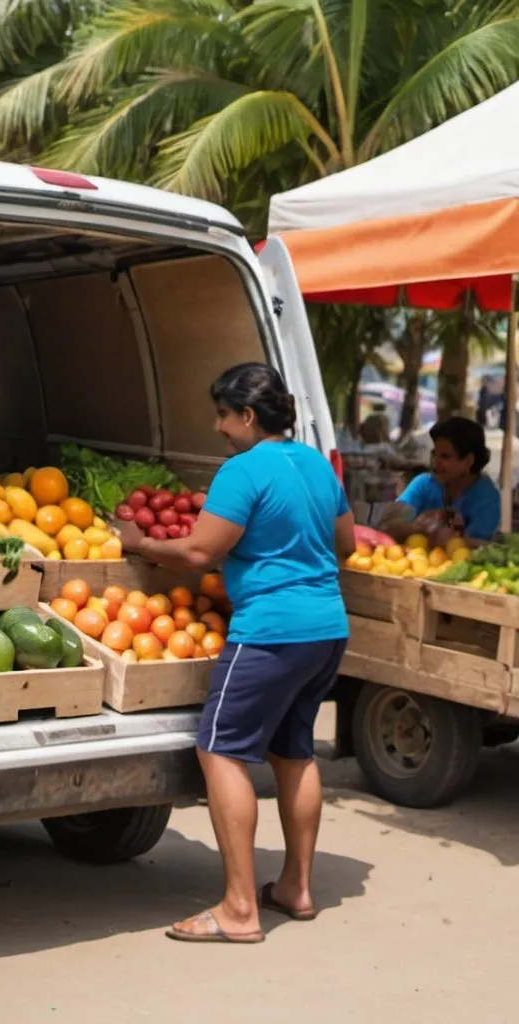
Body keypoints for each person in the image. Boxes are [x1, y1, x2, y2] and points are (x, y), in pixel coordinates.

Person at [117, 362, 355, 944]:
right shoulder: (319, 467)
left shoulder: (242, 471)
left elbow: (199, 553)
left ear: (247, 416)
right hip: (326, 628)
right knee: (294, 752)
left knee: (220, 750)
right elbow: (345, 546)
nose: (219, 426)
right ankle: (296, 888)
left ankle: (240, 909)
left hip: (270, 631)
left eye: (224, 414)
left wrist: (140, 542)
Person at [379, 416, 499, 546]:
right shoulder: (423, 484)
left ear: (469, 461)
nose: (435, 463)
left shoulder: (487, 498)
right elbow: (386, 528)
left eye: (445, 457)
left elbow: (472, 548)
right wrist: (420, 527)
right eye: (434, 454)